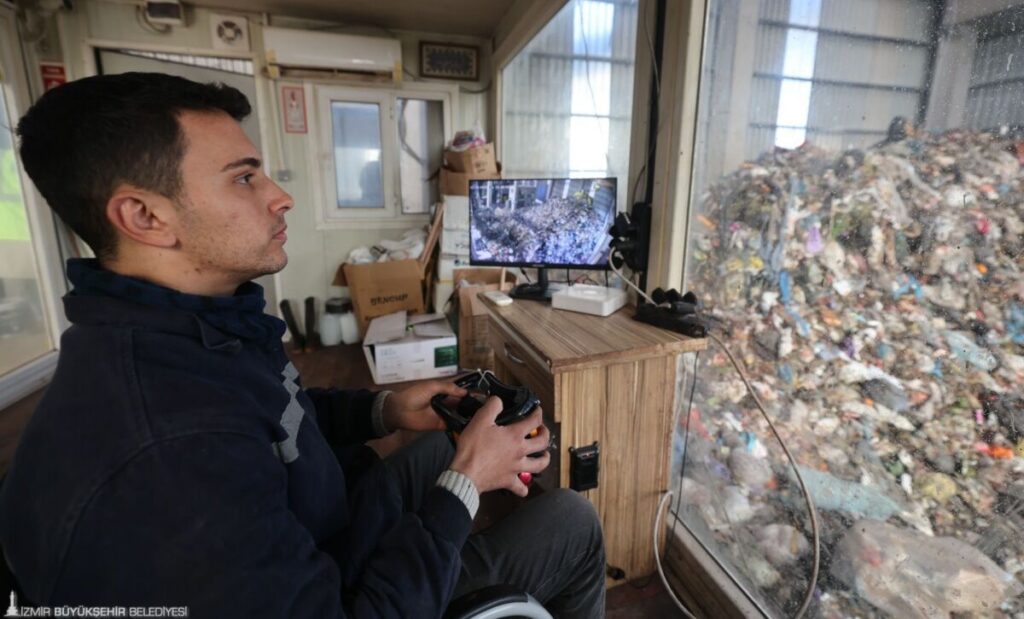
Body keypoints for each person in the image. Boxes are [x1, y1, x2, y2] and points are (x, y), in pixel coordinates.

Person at [0, 73, 605, 617]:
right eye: (243, 177)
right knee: (572, 520)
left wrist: (384, 409)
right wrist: (467, 482)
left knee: (429, 448)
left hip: (328, 523)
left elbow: (274, 419)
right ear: (144, 216)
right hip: (348, 585)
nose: (278, 195)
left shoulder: (200, 328)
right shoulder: (168, 456)